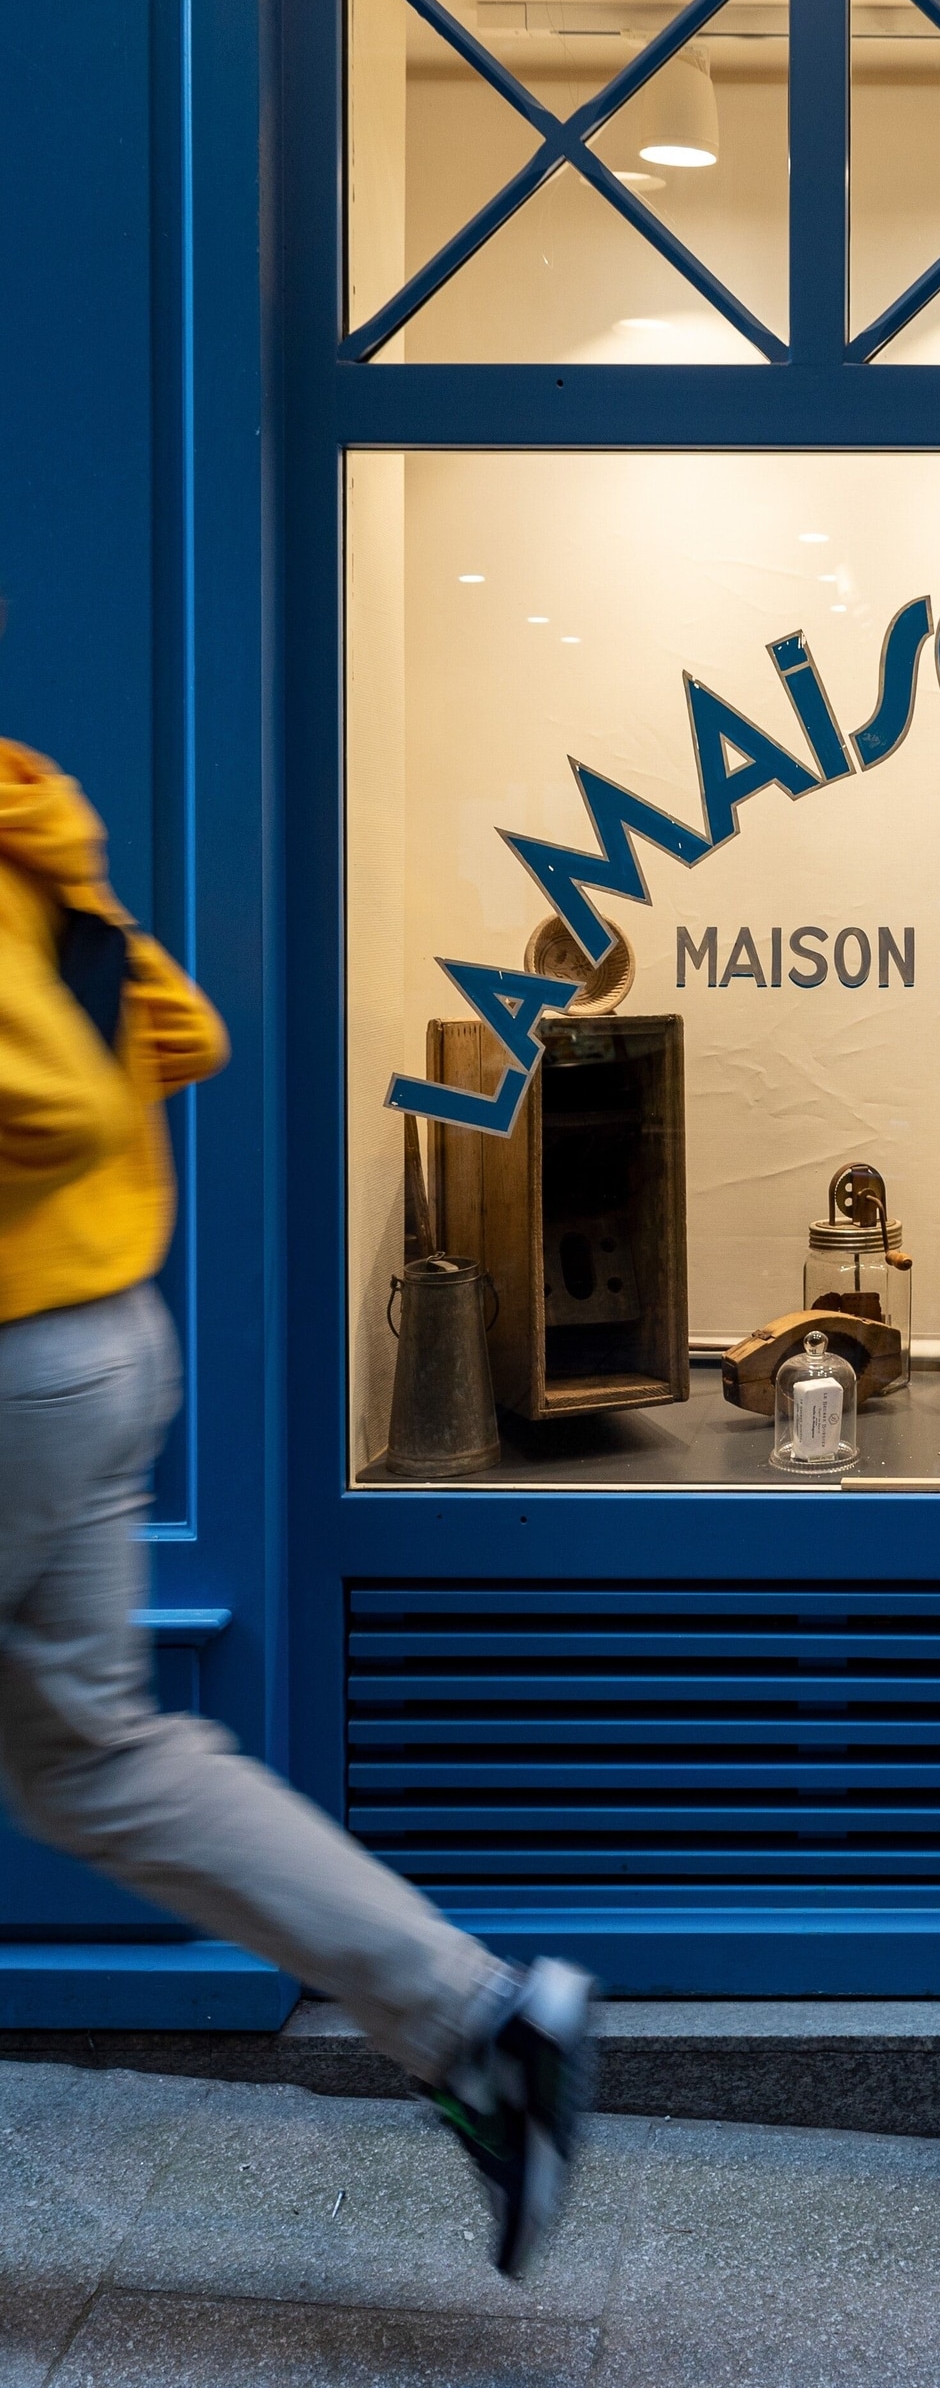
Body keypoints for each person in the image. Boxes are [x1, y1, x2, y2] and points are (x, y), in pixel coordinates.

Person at [0, 732, 590, 2276]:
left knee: (98, 1756)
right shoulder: (29, 818)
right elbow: (179, 1032)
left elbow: (48, 1095)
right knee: (92, 1762)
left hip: (14, 1365)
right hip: (93, 1344)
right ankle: (478, 2029)